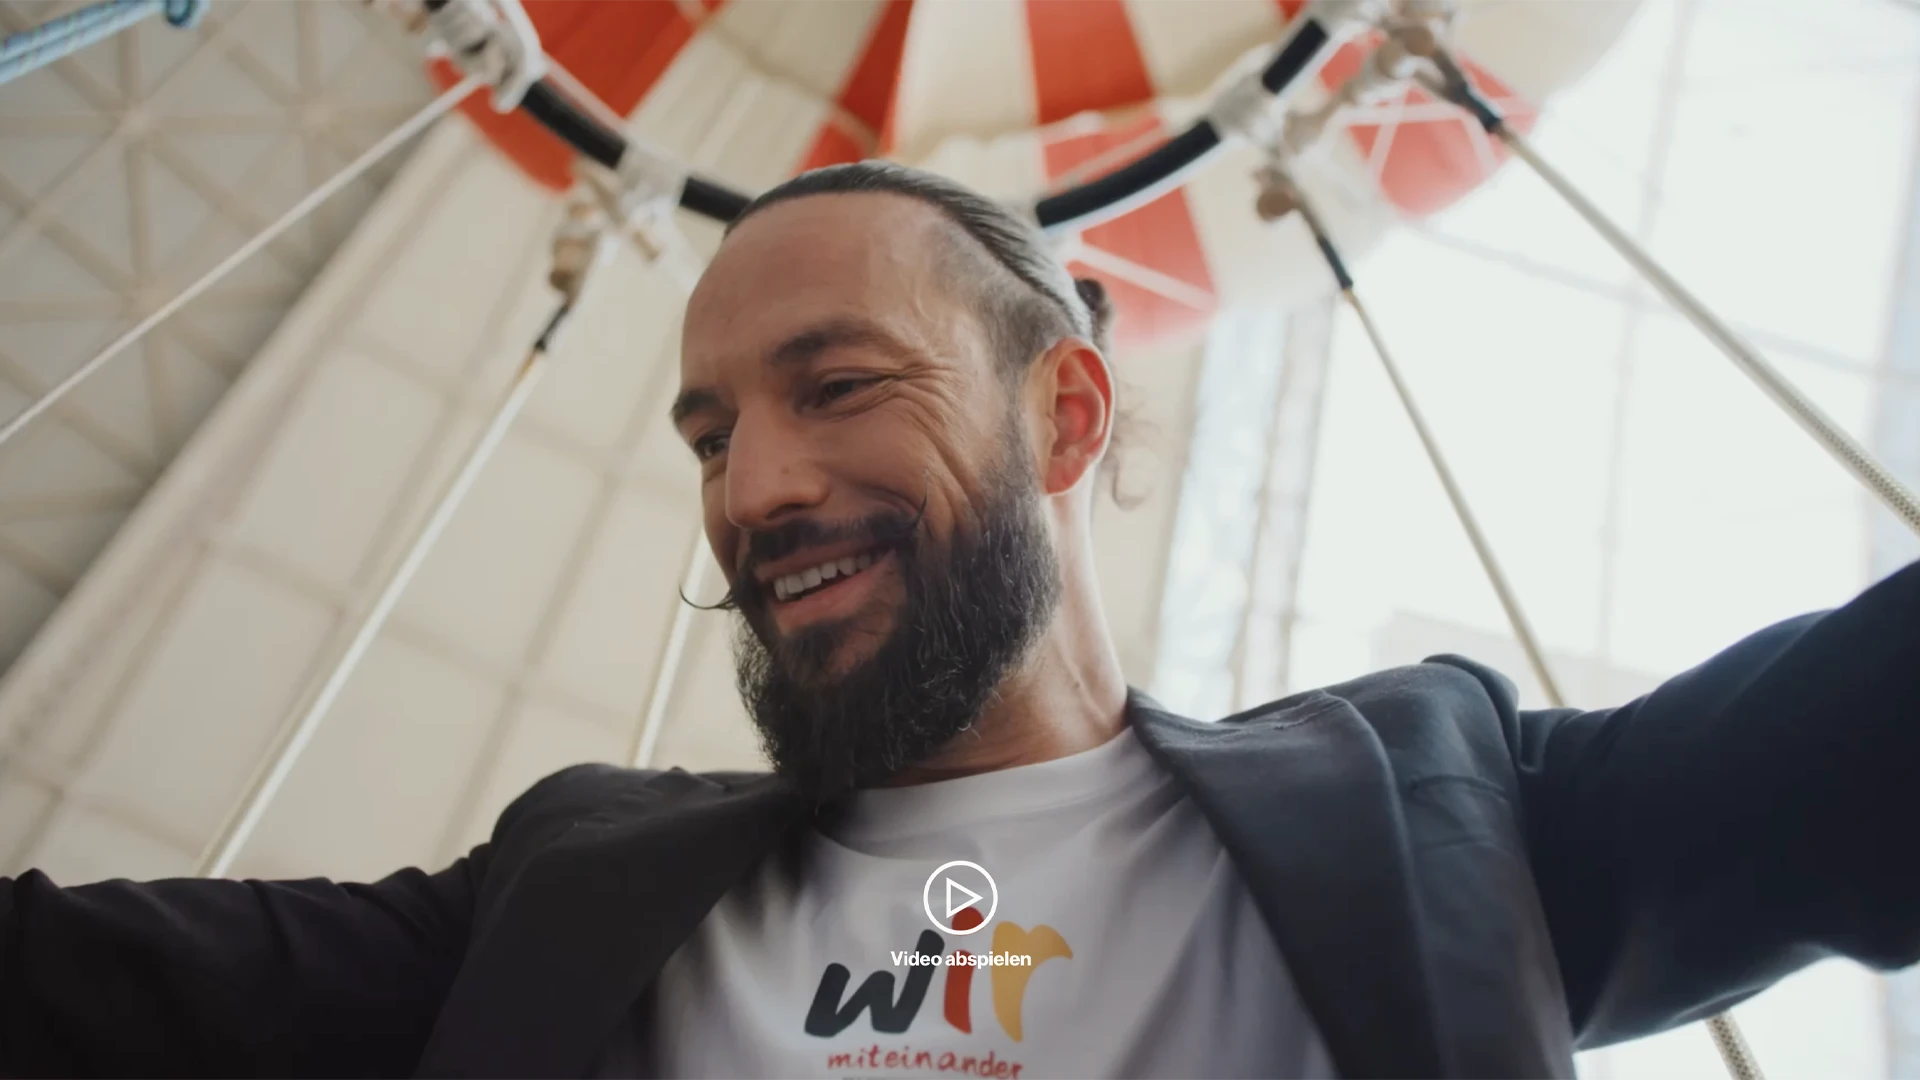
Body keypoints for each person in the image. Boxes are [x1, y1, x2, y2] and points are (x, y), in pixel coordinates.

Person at [3, 160, 1919, 1080]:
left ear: (1064, 412)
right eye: (713, 429)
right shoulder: (565, 885)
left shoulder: (1446, 811)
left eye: (836, 386)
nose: (749, 490)